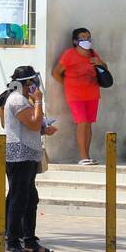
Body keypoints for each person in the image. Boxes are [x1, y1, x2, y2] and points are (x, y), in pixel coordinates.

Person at [0, 66, 58, 252]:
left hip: (29, 154)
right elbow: (32, 122)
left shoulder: (24, 100)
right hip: (19, 156)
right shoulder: (17, 100)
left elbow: (30, 126)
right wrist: (39, 100)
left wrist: (43, 129)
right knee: (18, 198)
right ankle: (13, 242)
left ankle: (29, 239)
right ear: (28, 83)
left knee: (30, 198)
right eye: (33, 82)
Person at [52, 27, 104, 164]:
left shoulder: (93, 53)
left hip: (92, 93)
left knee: (88, 125)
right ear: (75, 41)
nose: (87, 40)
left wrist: (99, 62)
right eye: (83, 37)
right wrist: (67, 85)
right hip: (75, 95)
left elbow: (104, 69)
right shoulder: (69, 54)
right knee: (82, 122)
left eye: (88, 37)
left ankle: (87, 155)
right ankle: (83, 157)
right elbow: (56, 72)